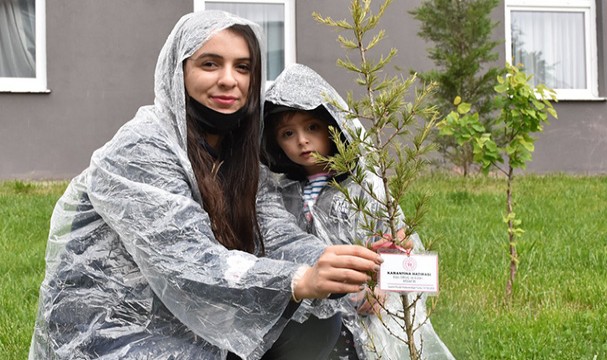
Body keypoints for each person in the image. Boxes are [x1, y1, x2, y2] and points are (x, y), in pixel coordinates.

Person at [28, 11, 384, 360]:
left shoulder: (236, 152)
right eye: (210, 64)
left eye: (242, 67)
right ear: (179, 70)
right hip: (120, 326)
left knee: (317, 323)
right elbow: (185, 262)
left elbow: (274, 234)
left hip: (198, 315)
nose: (229, 80)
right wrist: (299, 279)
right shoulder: (141, 148)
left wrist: (342, 267)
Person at [261, 63, 456, 360]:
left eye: (312, 127)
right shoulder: (280, 193)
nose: (302, 140)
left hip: (361, 306)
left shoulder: (365, 187)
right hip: (307, 313)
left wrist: (381, 286)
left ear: (334, 127)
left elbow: (397, 241)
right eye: (288, 133)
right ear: (274, 141)